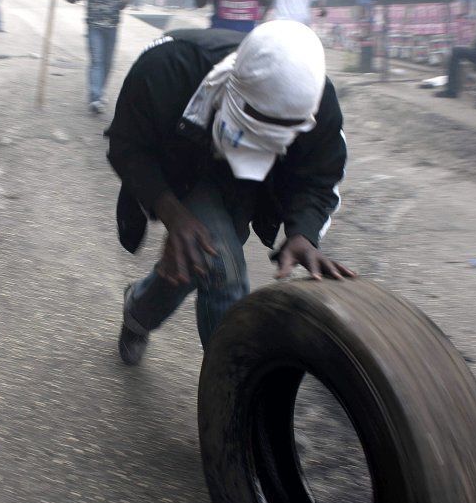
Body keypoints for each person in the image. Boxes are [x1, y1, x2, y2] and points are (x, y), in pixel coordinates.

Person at [105, 21, 355, 364]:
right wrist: (173, 214)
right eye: (254, 123)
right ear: (234, 87)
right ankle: (236, 395)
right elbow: (126, 146)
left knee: (195, 259)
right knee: (223, 269)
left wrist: (303, 233)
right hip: (184, 161)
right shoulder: (167, 67)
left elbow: (320, 176)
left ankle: (138, 309)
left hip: (251, 184)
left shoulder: (317, 99)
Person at [52, 0, 132, 114]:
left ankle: (100, 92)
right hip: (94, 25)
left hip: (112, 25)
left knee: (108, 62)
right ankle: (95, 97)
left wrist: (124, 1)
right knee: (97, 60)